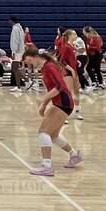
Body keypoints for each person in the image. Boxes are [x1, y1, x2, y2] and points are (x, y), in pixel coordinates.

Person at [22, 45, 83, 177]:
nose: (29, 64)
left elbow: (60, 87)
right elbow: (52, 89)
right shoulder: (45, 68)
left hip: (63, 103)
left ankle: (47, 166)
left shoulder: (49, 67)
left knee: (43, 132)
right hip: (61, 102)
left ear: (35, 57)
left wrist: (43, 100)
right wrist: (44, 104)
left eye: (29, 61)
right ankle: (74, 155)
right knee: (53, 136)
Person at [57, 28, 83, 120]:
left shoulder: (72, 46)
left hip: (74, 71)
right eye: (74, 34)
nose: (76, 35)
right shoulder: (65, 46)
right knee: (68, 93)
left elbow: (71, 58)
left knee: (77, 92)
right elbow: (61, 61)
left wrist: (77, 61)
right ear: (69, 36)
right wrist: (70, 69)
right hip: (68, 73)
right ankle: (63, 115)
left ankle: (76, 112)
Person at [8, 17, 25, 88]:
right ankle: (22, 84)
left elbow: (15, 41)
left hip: (17, 51)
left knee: (14, 68)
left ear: (12, 21)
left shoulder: (15, 29)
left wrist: (14, 52)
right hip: (20, 50)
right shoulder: (20, 28)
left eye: (9, 21)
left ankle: (25, 82)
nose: (8, 22)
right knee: (15, 68)